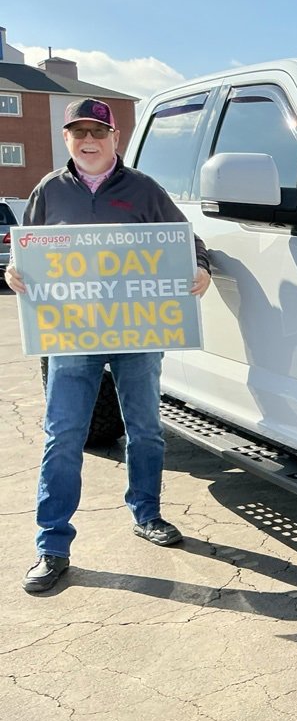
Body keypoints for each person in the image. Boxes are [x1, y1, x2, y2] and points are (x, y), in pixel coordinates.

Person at [4, 98, 212, 593]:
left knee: (144, 430)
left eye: (98, 131)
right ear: (67, 139)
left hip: (136, 331)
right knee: (63, 435)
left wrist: (200, 266)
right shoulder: (48, 191)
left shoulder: (143, 190)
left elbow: (185, 240)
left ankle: (147, 513)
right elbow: (26, 249)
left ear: (115, 138)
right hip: (72, 333)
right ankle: (52, 545)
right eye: (79, 132)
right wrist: (15, 272)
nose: (89, 140)